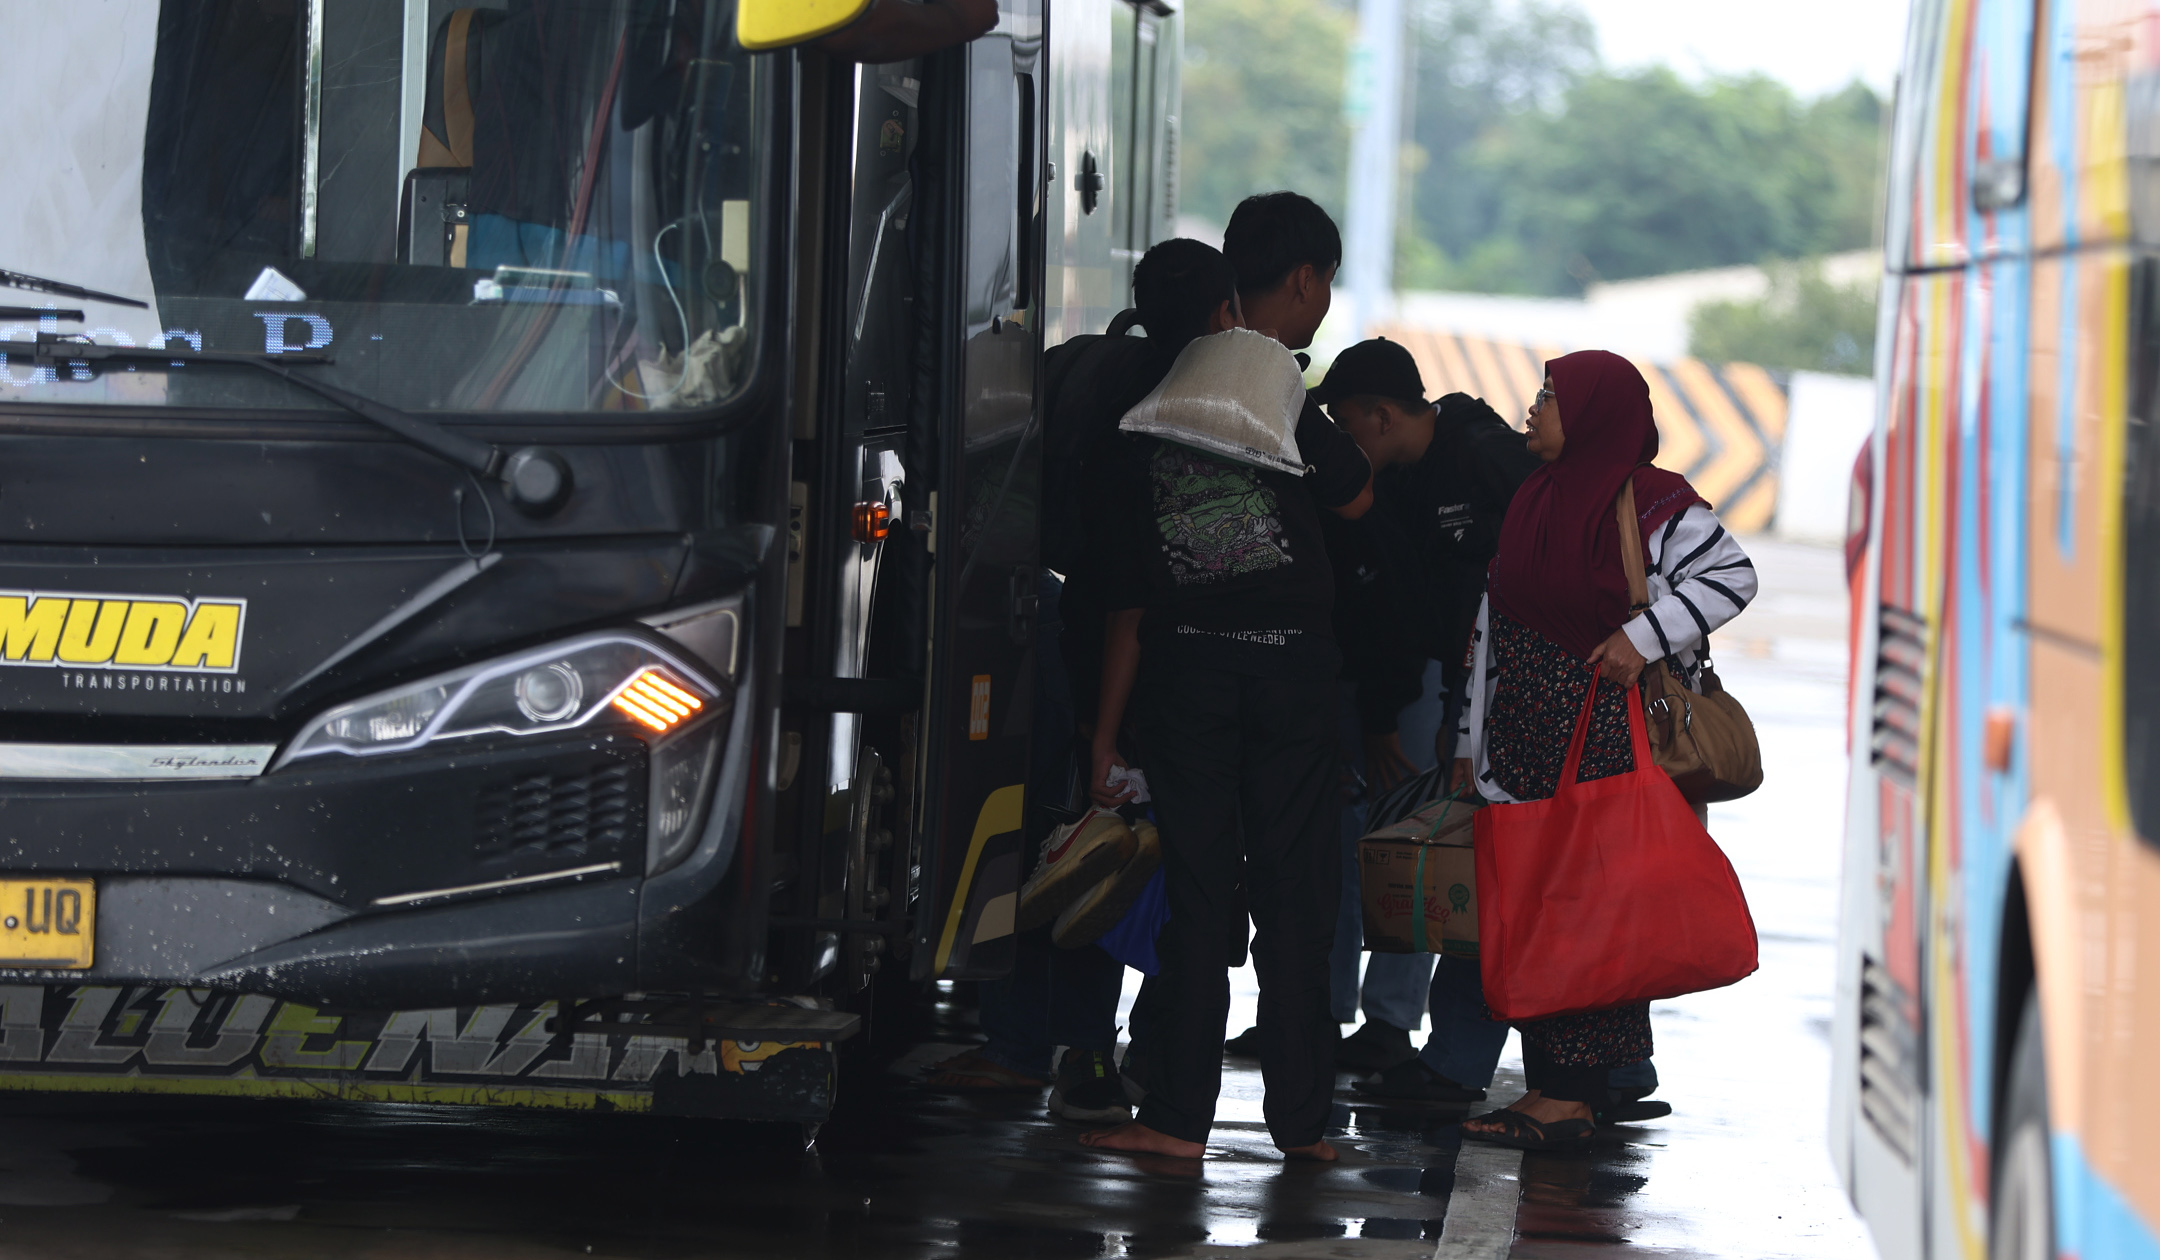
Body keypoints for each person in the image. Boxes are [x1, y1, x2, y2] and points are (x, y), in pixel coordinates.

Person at [1078, 235, 1373, 1162]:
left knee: (1201, 902)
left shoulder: (1139, 412)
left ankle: (1174, 1122)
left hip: (1189, 680)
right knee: (1298, 904)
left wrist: (1106, 734)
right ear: (1237, 307)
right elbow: (1359, 499)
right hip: (1293, 679)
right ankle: (1305, 1129)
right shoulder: (1275, 386)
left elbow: (1128, 603)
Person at [927, 242, 1230, 1121]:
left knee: (1041, 844)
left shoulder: (1080, 363)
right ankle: (1090, 1058)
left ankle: (1028, 1046)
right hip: (1134, 652)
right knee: (1110, 853)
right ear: (1222, 316)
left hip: (1039, 622)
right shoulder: (1198, 406)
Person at [1449, 350, 1756, 1150]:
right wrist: (1466, 739)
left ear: (1592, 413)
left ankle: (1569, 1095)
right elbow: (1495, 625)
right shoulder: (1534, 500)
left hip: (1606, 739)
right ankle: (1562, 1086)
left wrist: (1641, 636)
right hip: (1524, 737)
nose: (1532, 410)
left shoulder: (1654, 502)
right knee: (1538, 903)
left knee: (1586, 909)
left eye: (1549, 397)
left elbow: (1731, 576)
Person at [1305, 337, 1543, 1075]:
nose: (1341, 447)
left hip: (1458, 688)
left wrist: (1425, 711)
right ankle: (1339, 1011)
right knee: (1359, 842)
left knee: (1413, 844)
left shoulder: (1484, 459)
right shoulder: (1399, 479)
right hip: (1409, 685)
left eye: (1345, 428)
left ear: (1380, 416)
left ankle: (1390, 1019)